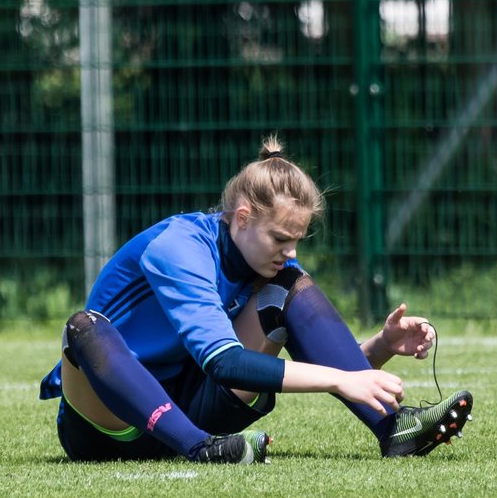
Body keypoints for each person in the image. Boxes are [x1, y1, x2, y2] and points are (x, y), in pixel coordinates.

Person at [39, 136, 473, 464]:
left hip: (192, 406)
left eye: (297, 240)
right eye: (281, 239)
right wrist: (340, 379)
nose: (291, 252)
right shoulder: (179, 247)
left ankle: (394, 429)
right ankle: (201, 449)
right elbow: (224, 363)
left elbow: (288, 361)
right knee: (84, 326)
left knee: (290, 287)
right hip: (109, 427)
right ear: (242, 218)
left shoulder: (268, 265)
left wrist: (376, 350)